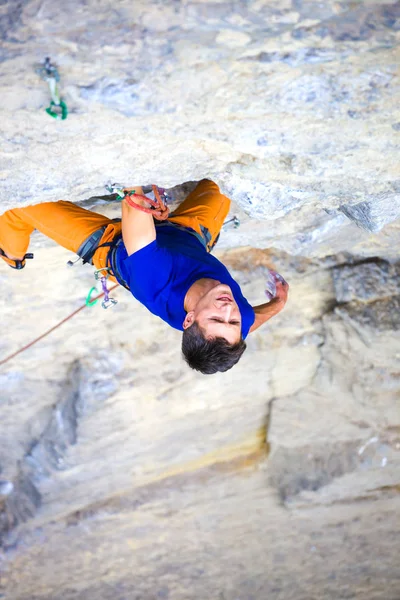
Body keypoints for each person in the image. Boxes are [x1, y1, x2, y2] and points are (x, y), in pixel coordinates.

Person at [0, 179, 288, 374]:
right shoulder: (236, 323)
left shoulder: (156, 279)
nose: (228, 309)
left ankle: (11, 255)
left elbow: (134, 202)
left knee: (19, 209)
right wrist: (278, 302)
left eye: (216, 318)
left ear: (188, 320)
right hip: (189, 238)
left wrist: (146, 204)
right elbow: (252, 322)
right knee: (224, 181)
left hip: (114, 246)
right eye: (233, 321)